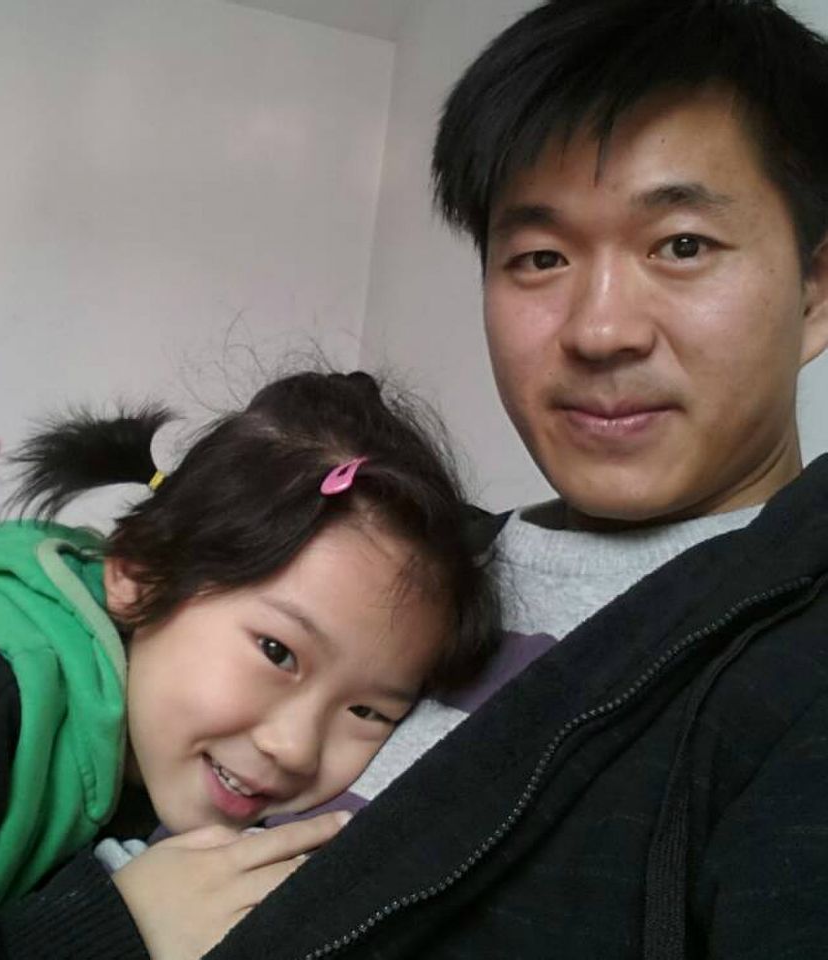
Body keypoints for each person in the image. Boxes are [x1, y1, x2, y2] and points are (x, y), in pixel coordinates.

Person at [177, 0, 827, 957]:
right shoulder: (411, 566)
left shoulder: (801, 676)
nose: (600, 330)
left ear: (816, 292)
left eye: (681, 246)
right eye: (540, 257)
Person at [0, 370, 502, 958]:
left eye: (366, 710)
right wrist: (115, 928)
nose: (295, 748)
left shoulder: (147, 757)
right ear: (140, 574)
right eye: (277, 652)